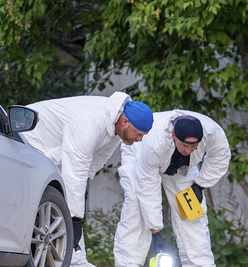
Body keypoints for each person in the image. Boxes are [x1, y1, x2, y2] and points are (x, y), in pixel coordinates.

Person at [22, 92, 154, 267]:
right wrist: (75, 219)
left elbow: (96, 161)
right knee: (54, 204)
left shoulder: (115, 130)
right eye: (138, 133)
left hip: (57, 153)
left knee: (68, 200)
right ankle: (67, 259)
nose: (140, 139)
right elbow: (75, 175)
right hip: (30, 138)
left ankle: (74, 259)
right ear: (125, 122)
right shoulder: (91, 123)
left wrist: (76, 205)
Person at [113, 110, 231, 267]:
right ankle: (128, 264)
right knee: (136, 204)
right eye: (184, 145)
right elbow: (148, 186)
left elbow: (221, 156)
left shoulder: (212, 132)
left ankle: (200, 264)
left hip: (182, 168)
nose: (189, 150)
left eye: (193, 146)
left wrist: (200, 184)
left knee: (192, 215)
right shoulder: (155, 142)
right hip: (139, 155)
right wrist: (155, 231)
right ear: (174, 135)